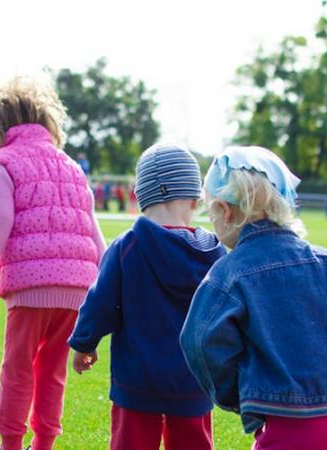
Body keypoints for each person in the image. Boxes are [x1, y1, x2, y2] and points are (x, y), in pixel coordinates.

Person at [180, 146, 327, 450]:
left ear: (225, 211)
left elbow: (199, 340)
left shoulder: (230, 273)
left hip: (296, 419)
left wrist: (236, 394)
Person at [0, 77, 105, 450]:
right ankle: (44, 444)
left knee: (17, 371)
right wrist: (103, 293)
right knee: (52, 374)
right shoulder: (70, 165)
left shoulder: (1, 163)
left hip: (30, 287)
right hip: (78, 289)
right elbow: (92, 229)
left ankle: (11, 444)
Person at [69, 144, 226, 450]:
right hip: (194, 380)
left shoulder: (128, 246)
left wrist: (84, 343)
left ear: (141, 195)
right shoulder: (216, 253)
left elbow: (101, 302)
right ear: (195, 198)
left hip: (137, 379)